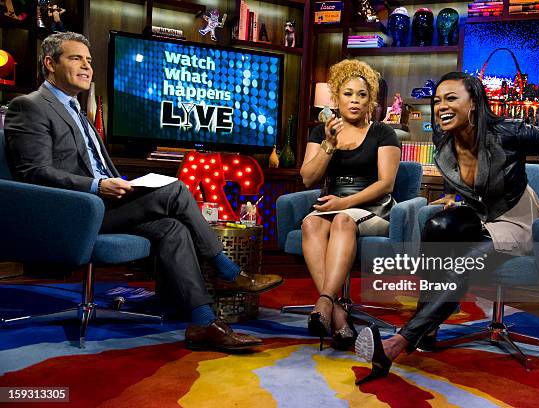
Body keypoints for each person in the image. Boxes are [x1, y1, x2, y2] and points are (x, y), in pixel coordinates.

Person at [4, 32, 282, 352]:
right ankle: (230, 271)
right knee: (177, 189)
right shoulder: (29, 106)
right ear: (50, 64)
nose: (86, 66)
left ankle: (203, 322)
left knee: (173, 227)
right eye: (75, 58)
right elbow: (32, 172)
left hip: (105, 202)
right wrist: (96, 185)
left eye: (89, 61)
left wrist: (118, 183)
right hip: (73, 210)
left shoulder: (76, 111)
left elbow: (96, 167)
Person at [354, 71, 539, 384]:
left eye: (451, 99)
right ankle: (429, 324)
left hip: (517, 218)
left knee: (463, 260)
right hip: (481, 214)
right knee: (436, 224)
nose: (441, 106)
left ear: (473, 103)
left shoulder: (508, 131)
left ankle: (398, 343)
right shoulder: (442, 136)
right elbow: (466, 176)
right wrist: (452, 196)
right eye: (437, 101)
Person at [300, 59, 401, 351]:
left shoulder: (383, 132)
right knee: (310, 223)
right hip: (333, 202)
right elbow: (308, 178)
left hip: (372, 205)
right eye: (348, 93)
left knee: (343, 220)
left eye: (362, 94)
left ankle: (324, 302)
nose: (354, 100)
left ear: (370, 99)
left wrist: (345, 203)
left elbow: (386, 184)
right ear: (336, 97)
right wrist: (328, 145)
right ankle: (338, 311)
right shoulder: (322, 132)